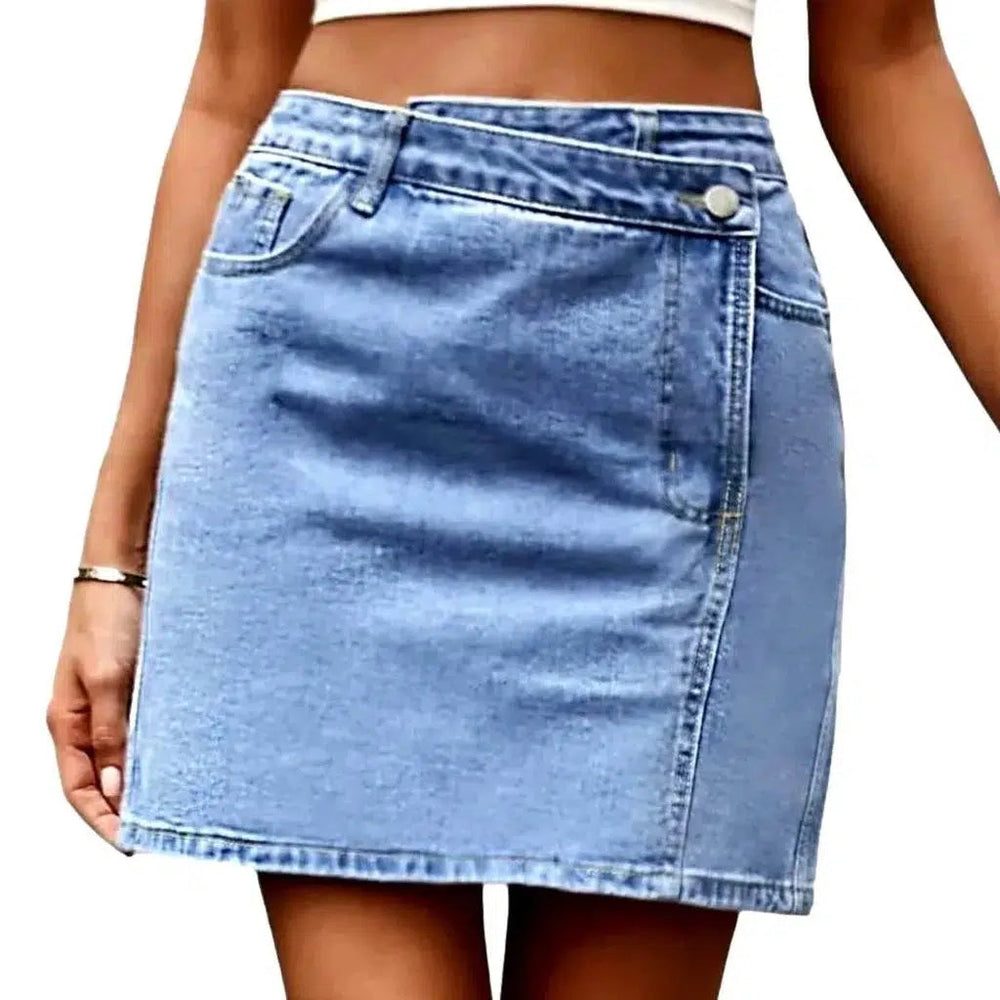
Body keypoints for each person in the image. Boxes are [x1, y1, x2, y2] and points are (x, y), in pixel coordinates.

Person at [46, 3, 998, 998]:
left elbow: (887, 59)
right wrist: (114, 557)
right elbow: (233, 82)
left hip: (674, 330)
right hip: (334, 341)